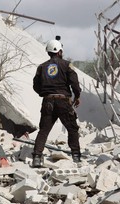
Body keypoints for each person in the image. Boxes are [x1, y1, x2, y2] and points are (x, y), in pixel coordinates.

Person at [32, 39, 82, 168]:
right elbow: (75, 83)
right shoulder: (67, 65)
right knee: (72, 129)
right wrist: (77, 96)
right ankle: (76, 156)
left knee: (43, 130)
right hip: (63, 101)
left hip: (48, 101)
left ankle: (37, 158)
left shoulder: (41, 67)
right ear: (60, 51)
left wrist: (44, 94)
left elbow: (36, 86)